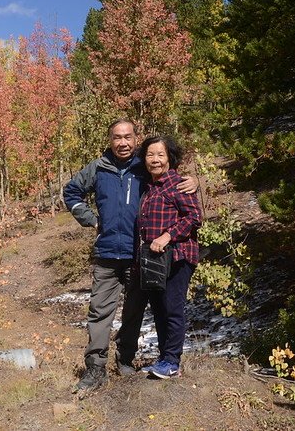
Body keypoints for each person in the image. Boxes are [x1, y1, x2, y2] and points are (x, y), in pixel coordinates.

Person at [63, 119, 197, 393]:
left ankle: (125, 359)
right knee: (100, 311)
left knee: (134, 312)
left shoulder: (144, 167)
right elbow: (71, 191)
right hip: (107, 253)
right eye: (117, 137)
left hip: (140, 256)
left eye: (128, 137)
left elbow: (174, 181)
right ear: (110, 140)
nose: (122, 142)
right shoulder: (97, 168)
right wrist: (90, 219)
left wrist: (196, 180)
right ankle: (95, 368)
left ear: (136, 139)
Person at [136, 135, 202, 379]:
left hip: (178, 256)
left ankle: (172, 361)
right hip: (155, 260)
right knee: (160, 309)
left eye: (160, 155)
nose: (155, 160)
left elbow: (194, 217)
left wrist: (167, 236)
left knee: (173, 309)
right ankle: (164, 358)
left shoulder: (178, 184)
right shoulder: (150, 186)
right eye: (150, 155)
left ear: (170, 158)